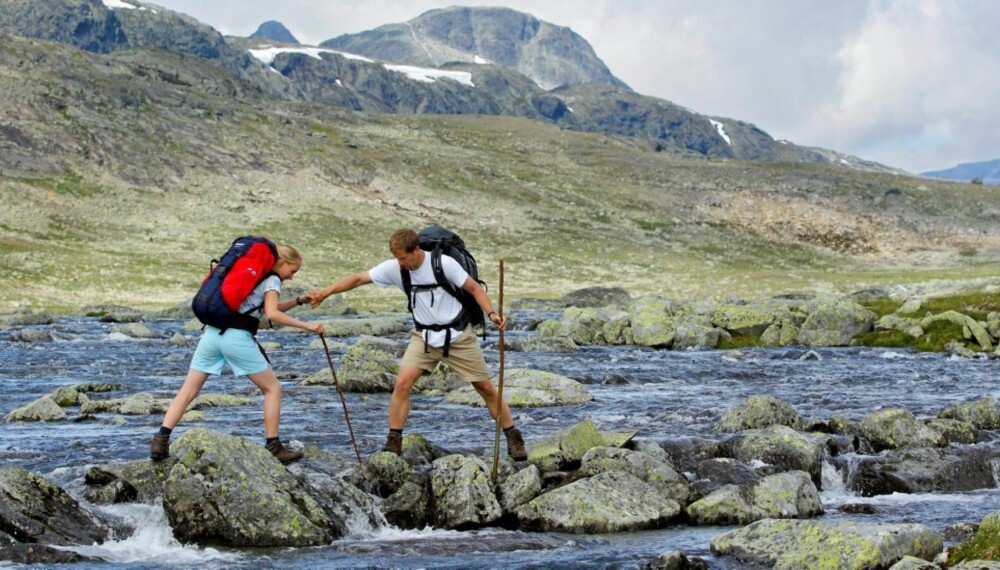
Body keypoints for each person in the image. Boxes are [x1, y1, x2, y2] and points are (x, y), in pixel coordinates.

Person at [306, 228, 527, 460]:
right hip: (423, 338)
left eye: (402, 257)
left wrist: (491, 313)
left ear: (416, 250)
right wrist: (326, 292)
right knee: (402, 384)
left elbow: (473, 288)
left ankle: (513, 436)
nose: (399, 263)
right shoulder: (396, 268)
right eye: (396, 258)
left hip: (458, 335)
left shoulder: (444, 264)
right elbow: (359, 278)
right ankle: (394, 441)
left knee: (485, 388)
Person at [150, 243, 325, 465]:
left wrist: (298, 301)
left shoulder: (248, 276)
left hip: (212, 334)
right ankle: (274, 447)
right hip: (236, 338)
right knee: (273, 388)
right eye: (292, 271)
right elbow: (271, 314)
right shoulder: (272, 279)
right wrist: (308, 326)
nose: (291, 277)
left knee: (188, 390)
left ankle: (160, 441)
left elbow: (260, 308)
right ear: (283, 262)